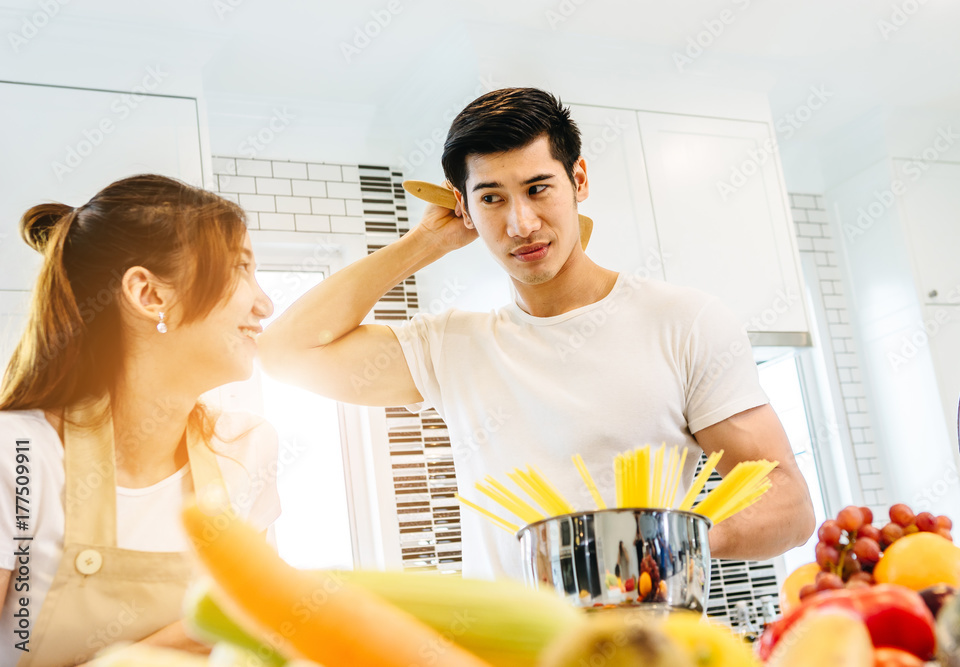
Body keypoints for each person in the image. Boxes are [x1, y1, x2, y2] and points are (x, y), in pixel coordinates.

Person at [258, 87, 815, 579]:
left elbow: (788, 505)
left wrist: (662, 549)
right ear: (465, 208)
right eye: (492, 197)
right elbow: (285, 352)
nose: (520, 223)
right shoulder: (451, 346)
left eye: (538, 188)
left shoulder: (684, 322)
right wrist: (425, 243)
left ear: (578, 180)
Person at [0, 174, 279, 665]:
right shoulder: (18, 456)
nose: (264, 303)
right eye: (240, 268)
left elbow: (259, 630)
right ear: (150, 295)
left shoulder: (245, 449)